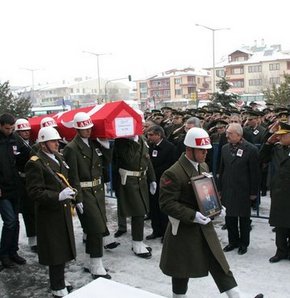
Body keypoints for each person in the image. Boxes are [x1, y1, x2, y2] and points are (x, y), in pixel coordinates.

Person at [159, 127, 241, 298]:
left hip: (205, 225)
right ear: (189, 149)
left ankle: (236, 296)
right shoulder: (173, 173)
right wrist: (193, 215)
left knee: (219, 263)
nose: (205, 154)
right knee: (181, 270)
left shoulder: (203, 165)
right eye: (202, 150)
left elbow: (206, 191)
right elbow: (167, 204)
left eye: (206, 150)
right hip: (184, 229)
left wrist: (217, 207)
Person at [25, 126, 76, 297]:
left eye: (57, 141)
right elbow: (34, 192)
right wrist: (58, 196)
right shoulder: (35, 162)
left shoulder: (58, 158)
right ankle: (56, 286)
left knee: (63, 247)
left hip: (61, 211)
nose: (57, 144)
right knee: (55, 250)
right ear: (43, 144)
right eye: (53, 141)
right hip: (49, 212)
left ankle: (60, 279)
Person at [63, 112, 112, 279]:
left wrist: (105, 147)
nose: (88, 131)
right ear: (77, 129)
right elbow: (73, 175)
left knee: (95, 228)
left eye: (89, 128)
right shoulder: (71, 148)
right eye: (84, 129)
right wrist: (78, 198)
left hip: (97, 191)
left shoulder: (94, 144)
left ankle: (90, 262)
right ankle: (96, 265)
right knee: (96, 229)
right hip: (85, 192)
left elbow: (107, 163)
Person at [219, 123, 260, 255]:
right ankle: (233, 241)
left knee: (243, 219)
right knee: (229, 217)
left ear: (239, 134)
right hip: (228, 188)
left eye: (230, 134)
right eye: (227, 133)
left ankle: (244, 243)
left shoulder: (251, 149)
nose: (227, 136)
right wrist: (219, 188)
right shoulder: (225, 148)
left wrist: (254, 192)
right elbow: (221, 169)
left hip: (243, 189)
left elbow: (255, 173)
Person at [113, 134, 156, 259]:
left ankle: (138, 241)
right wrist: (133, 141)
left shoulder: (141, 138)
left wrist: (152, 178)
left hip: (141, 179)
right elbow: (129, 159)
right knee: (138, 212)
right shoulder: (121, 141)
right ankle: (137, 243)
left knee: (141, 211)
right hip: (129, 181)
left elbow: (147, 159)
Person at [259, 122, 290, 263]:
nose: (279, 137)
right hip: (279, 191)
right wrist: (268, 143)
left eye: (283, 135)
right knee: (280, 224)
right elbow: (262, 158)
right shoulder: (276, 148)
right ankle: (281, 251)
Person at [0, 113, 26, 268]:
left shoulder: (15, 139)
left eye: (12, 128)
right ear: (1, 125)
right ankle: (3, 254)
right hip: (2, 190)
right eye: (7, 128)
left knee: (15, 222)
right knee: (9, 221)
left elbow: (24, 157)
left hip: (15, 187)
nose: (10, 131)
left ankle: (13, 251)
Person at [146, 125, 176, 241]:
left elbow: (171, 164)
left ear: (159, 135)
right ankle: (156, 230)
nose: (149, 137)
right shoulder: (151, 146)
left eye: (151, 135)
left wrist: (154, 171)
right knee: (153, 207)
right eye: (148, 135)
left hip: (164, 181)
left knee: (163, 209)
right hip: (152, 181)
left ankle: (165, 233)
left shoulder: (170, 147)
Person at [14, 118, 37, 252]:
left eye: (27, 130)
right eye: (23, 131)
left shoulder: (34, 143)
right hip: (22, 180)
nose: (26, 133)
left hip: (35, 179)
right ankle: (33, 239)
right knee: (28, 211)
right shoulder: (14, 145)